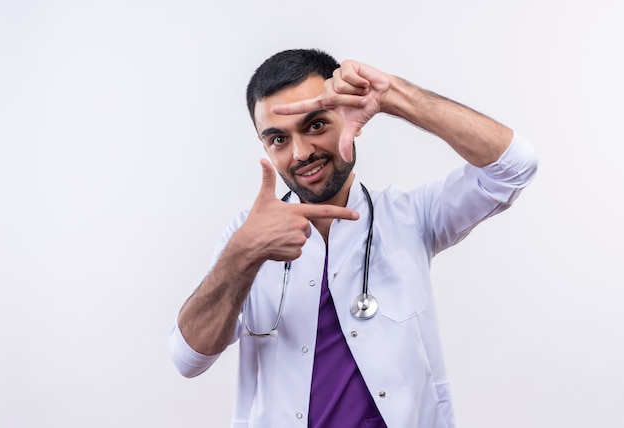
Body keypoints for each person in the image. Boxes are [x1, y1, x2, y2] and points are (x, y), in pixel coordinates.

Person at [168, 48, 538, 428]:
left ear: (348, 119)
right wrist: (244, 254)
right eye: (278, 139)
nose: (301, 153)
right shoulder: (245, 238)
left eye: (315, 125)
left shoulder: (409, 216)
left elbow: (513, 168)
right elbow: (188, 358)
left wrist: (393, 95)